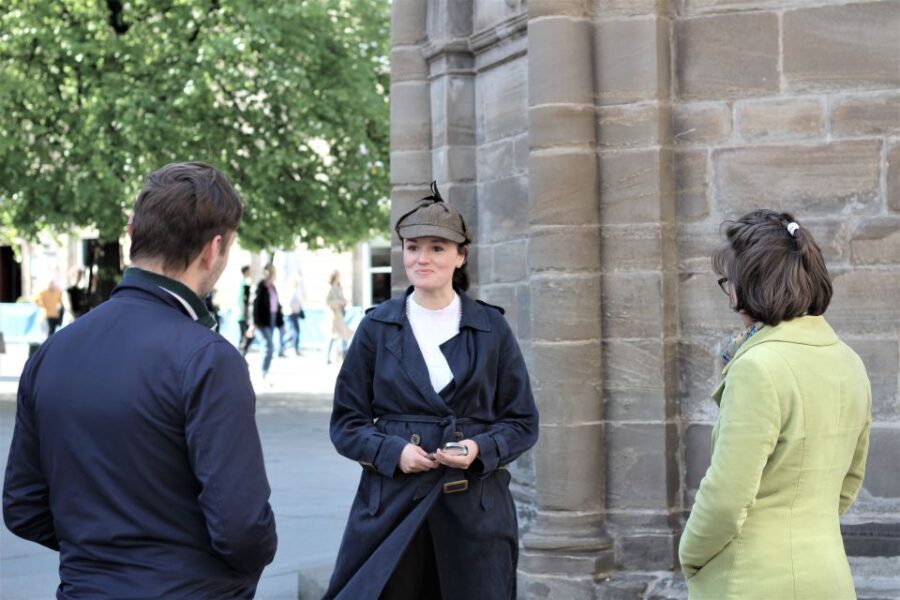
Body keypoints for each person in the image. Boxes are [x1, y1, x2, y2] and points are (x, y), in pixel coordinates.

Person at [3, 162, 277, 598]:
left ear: (132, 231)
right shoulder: (209, 359)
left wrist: (99, 554)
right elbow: (243, 528)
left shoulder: (54, 352)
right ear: (214, 248)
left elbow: (23, 506)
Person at [325, 182, 539, 599]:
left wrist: (479, 449)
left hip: (475, 512)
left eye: (437, 248)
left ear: (460, 256)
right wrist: (394, 452)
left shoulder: (491, 327)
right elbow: (347, 423)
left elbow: (521, 421)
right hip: (392, 508)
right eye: (413, 247)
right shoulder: (377, 326)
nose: (422, 258)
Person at [679, 210, 871, 600]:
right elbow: (848, 485)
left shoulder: (756, 366)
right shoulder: (849, 361)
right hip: (829, 575)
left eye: (728, 282)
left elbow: (726, 496)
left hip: (754, 580)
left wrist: (691, 554)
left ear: (746, 287)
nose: (729, 294)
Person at [252, 263, 284, 378]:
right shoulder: (261, 286)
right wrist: (254, 322)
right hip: (262, 320)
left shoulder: (273, 287)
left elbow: (277, 306)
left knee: (268, 346)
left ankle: (264, 371)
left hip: (272, 318)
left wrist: (281, 324)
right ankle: (263, 371)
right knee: (268, 345)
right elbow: (255, 305)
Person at [325, 270, 352, 364]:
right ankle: (327, 357)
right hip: (333, 315)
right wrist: (338, 302)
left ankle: (342, 358)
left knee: (343, 335)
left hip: (340, 315)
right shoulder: (330, 288)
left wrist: (344, 302)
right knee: (332, 336)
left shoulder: (339, 287)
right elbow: (327, 302)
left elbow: (342, 299)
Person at [279, 274, 305, 357]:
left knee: (295, 331)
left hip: (294, 314)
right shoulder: (291, 290)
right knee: (291, 332)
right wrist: (295, 308)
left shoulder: (294, 290)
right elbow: (289, 302)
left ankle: (294, 348)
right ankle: (285, 348)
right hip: (291, 314)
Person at [238, 265, 254, 355]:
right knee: (248, 336)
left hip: (241, 314)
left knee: (244, 336)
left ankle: (241, 356)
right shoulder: (244, 284)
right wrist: (245, 314)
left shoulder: (242, 283)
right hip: (242, 315)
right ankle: (241, 355)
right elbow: (244, 301)